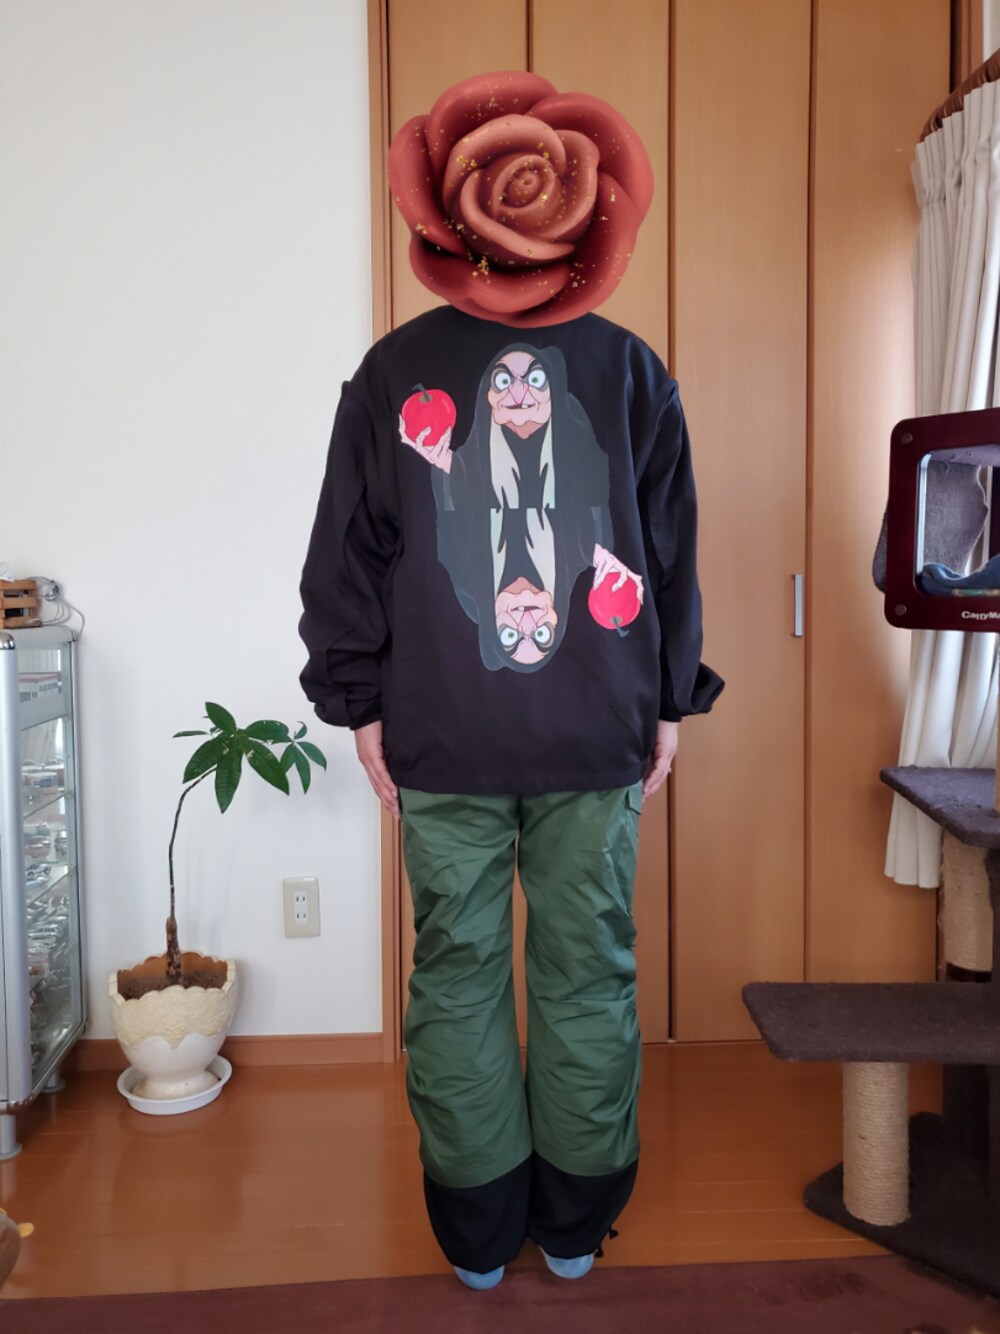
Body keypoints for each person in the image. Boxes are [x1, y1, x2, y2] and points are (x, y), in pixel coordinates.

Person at [298, 71, 723, 1289]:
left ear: (448, 215)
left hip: (442, 726)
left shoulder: (392, 370)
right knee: (589, 968)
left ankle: (479, 1232)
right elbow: (671, 558)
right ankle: (575, 1224)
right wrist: (665, 697)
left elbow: (346, 555)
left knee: (458, 969)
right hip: (594, 725)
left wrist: (360, 704)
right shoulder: (631, 371)